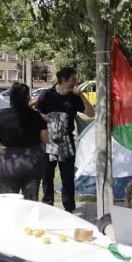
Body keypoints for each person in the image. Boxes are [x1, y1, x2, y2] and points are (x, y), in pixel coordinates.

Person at [36, 67, 94, 212]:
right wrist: (51, 121)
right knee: (47, 176)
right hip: (48, 140)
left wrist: (82, 96)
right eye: (73, 79)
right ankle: (48, 207)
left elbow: (91, 113)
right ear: (63, 80)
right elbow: (38, 113)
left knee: (67, 177)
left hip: (67, 140)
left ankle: (69, 209)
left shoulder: (74, 97)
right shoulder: (47, 95)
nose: (76, 82)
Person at [0, 83, 48, 200]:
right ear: (28, 97)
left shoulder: (1, 116)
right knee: (31, 199)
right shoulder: (36, 116)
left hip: (10, 160)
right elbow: (46, 139)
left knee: (9, 199)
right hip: (33, 158)